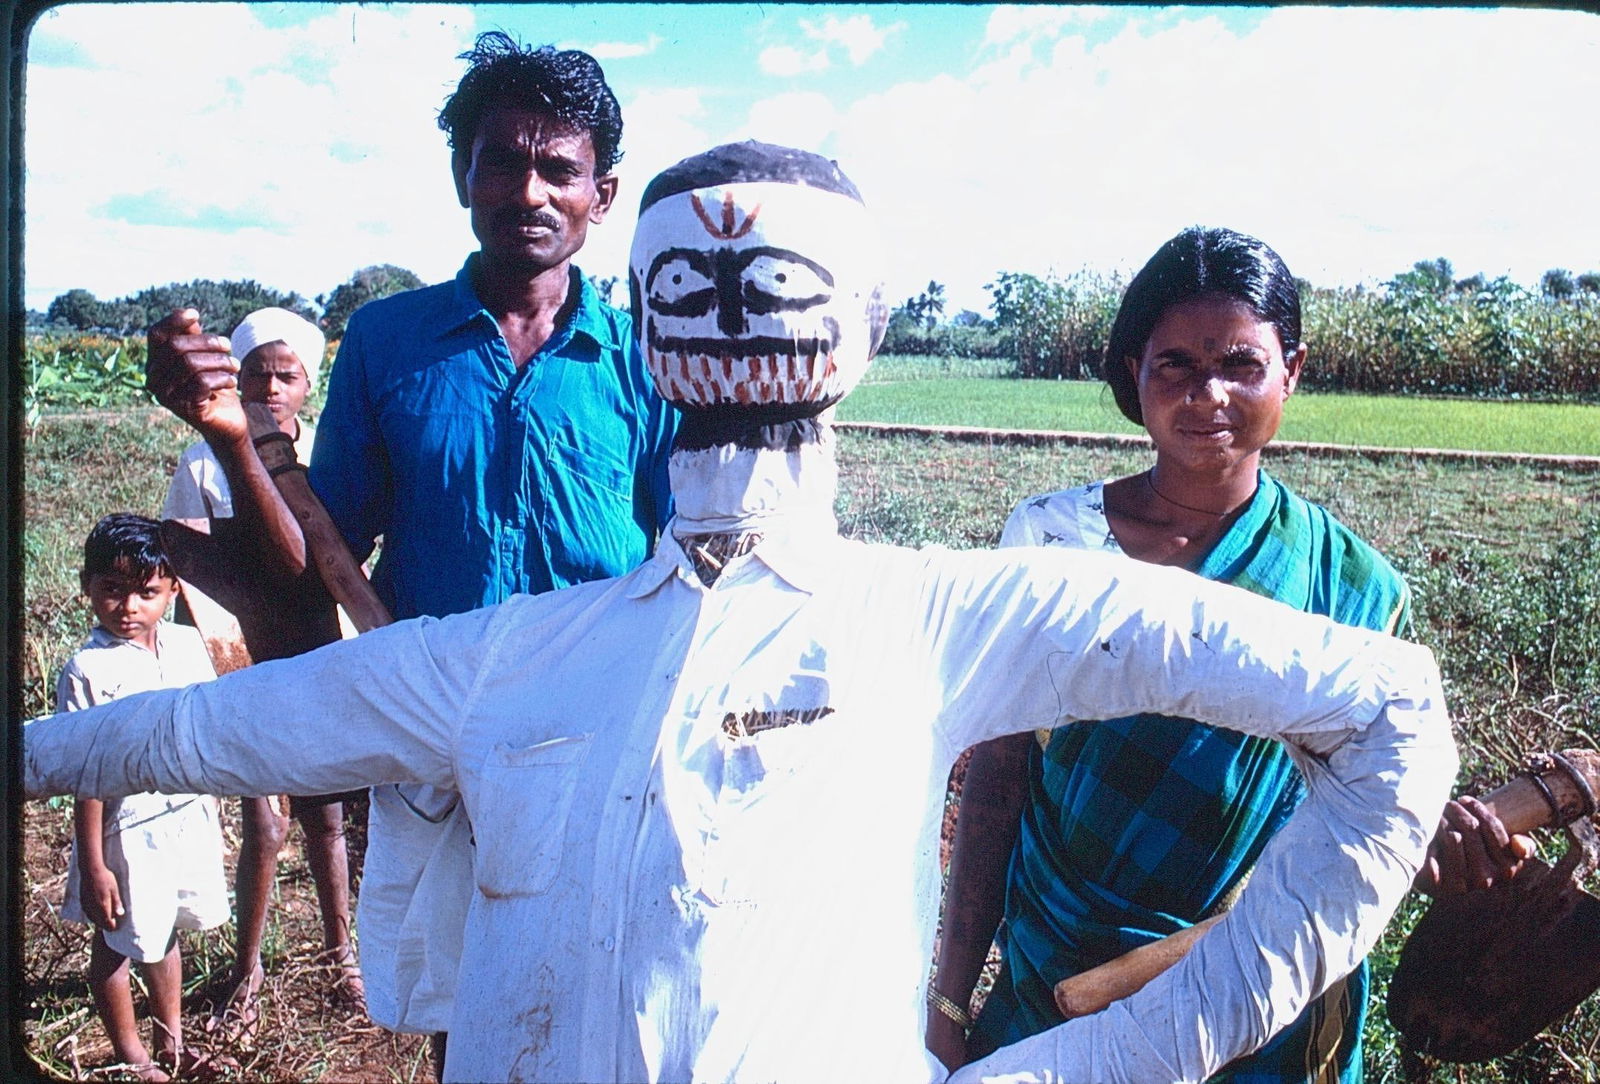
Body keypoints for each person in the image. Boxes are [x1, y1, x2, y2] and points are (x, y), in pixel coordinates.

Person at [31, 142, 1456, 1083]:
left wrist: (1121, 1053)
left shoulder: (940, 613)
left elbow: (1396, 714)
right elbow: (213, 730)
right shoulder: (518, 654)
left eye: (764, 284)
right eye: (696, 290)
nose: (727, 313)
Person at [142, 31, 677, 1057]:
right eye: (502, 160)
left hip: (597, 738)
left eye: (559, 168)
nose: (530, 188)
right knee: (458, 1011)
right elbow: (316, 567)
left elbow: (676, 566)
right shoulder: (389, 342)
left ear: (601, 195)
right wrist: (227, 434)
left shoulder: (642, 355)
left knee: (602, 1007)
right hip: (435, 749)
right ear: (462, 176)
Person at [926, 226, 1409, 1081]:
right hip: (1058, 972)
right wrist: (950, 996)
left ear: (1291, 372)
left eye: (1241, 365)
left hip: (1251, 985)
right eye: (1175, 364)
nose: (1207, 394)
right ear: (1133, 373)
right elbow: (999, 779)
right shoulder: (1051, 539)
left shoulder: (1350, 587)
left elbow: (1367, 800)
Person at [159, 306, 363, 1033]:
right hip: (244, 649)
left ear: (309, 384)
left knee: (328, 818)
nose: (271, 388)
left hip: (319, 643)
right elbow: (186, 561)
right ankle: (247, 970)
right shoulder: (203, 460)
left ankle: (342, 953)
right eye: (256, 375)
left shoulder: (327, 454)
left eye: (287, 376)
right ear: (234, 379)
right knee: (264, 819)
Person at [57, 514, 229, 1081]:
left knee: (165, 932)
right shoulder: (88, 669)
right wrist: (94, 862)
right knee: (117, 943)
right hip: (124, 833)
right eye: (112, 589)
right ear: (88, 586)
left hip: (183, 817)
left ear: (173, 590)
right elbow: (88, 773)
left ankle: (171, 1040)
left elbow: (206, 729)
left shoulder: (186, 646)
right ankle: (132, 1056)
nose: (129, 606)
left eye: (147, 592)